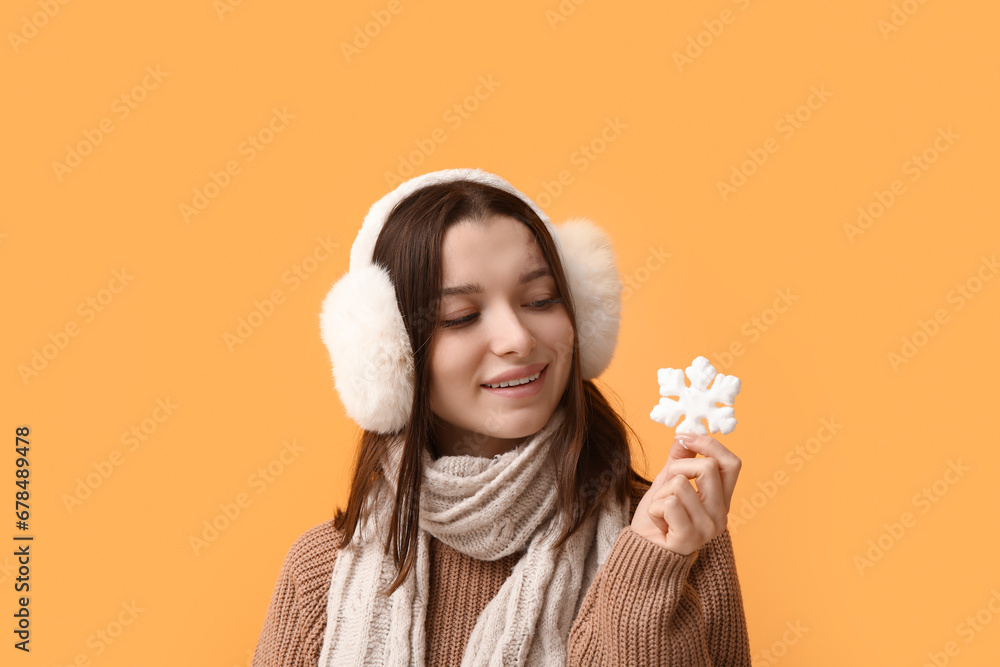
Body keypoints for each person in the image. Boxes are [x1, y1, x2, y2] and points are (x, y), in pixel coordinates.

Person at [251, 168, 751, 666]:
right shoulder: (319, 574)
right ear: (393, 356)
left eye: (540, 300)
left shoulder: (676, 536)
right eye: (461, 317)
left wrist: (644, 581)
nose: (517, 337)